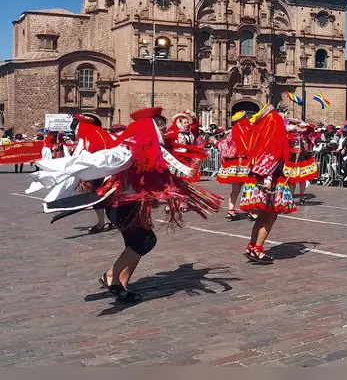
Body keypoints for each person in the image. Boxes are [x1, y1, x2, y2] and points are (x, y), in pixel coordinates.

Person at [27, 107, 222, 303]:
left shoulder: (151, 148)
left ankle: (121, 284)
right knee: (144, 241)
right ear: (152, 129)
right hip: (120, 204)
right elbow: (102, 159)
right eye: (161, 131)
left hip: (133, 204)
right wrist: (58, 167)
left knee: (137, 243)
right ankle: (111, 277)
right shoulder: (128, 149)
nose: (164, 134)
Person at [239, 106, 297, 262]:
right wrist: (268, 180)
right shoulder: (274, 140)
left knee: (262, 216)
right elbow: (272, 161)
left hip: (257, 179)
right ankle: (257, 249)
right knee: (270, 216)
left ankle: (252, 246)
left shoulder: (260, 139)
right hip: (269, 181)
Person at [216, 111, 252, 220]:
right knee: (248, 188)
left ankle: (231, 210)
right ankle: (251, 210)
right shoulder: (251, 130)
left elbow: (224, 145)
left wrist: (216, 143)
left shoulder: (232, 132)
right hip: (246, 162)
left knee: (235, 189)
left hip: (234, 164)